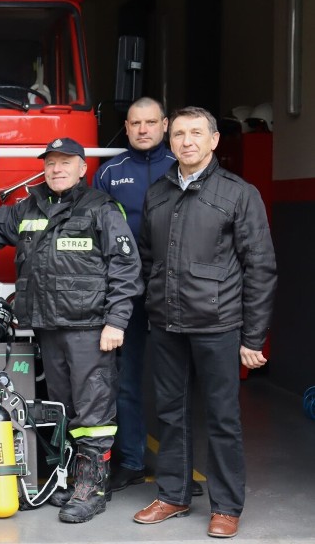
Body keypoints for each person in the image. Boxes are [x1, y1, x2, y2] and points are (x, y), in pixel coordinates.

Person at [0, 137, 143, 524]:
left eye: (65, 162)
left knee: (95, 409)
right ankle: (74, 477)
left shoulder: (101, 209)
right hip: (49, 326)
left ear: (82, 168)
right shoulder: (29, 207)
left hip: (91, 328)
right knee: (65, 408)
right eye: (50, 163)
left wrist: (116, 321)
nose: (57, 169)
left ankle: (92, 488)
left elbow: (126, 269)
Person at [133, 107, 277, 539]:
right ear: (169, 141)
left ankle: (227, 506)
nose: (186, 141)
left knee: (222, 418)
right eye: (178, 134)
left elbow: (261, 267)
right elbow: (145, 257)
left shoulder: (239, 193)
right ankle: (174, 494)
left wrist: (253, 335)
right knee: (171, 413)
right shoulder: (157, 193)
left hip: (218, 324)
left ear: (214, 141)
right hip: (166, 324)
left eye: (196, 133)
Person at [92, 97, 180, 492]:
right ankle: (130, 461)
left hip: (176, 291)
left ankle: (179, 467)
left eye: (150, 122)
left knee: (174, 381)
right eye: (135, 123)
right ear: (125, 127)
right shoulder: (109, 172)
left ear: (164, 125)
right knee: (125, 381)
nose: (143, 129)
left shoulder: (183, 167)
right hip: (126, 294)